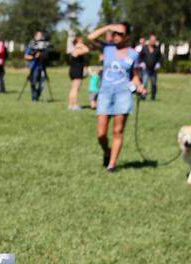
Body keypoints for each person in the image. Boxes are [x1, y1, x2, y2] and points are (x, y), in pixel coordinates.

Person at [83, 22, 146, 172]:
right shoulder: (107, 48)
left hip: (123, 94)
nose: (116, 36)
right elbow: (90, 37)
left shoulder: (133, 54)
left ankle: (112, 164)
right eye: (115, 33)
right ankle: (107, 151)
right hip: (105, 93)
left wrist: (140, 86)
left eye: (120, 34)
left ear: (127, 37)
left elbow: (134, 76)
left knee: (118, 131)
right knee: (101, 134)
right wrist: (108, 28)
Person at [24, 31, 49, 101]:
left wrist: (43, 55)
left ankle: (37, 95)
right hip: (34, 67)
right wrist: (34, 57)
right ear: (35, 37)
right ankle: (34, 98)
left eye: (41, 35)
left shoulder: (44, 45)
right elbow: (26, 56)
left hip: (42, 67)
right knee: (33, 82)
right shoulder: (32, 45)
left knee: (43, 84)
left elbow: (47, 55)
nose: (41, 37)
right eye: (39, 35)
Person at [67, 35, 90, 110]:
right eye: (81, 41)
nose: (82, 42)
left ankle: (70, 105)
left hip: (73, 71)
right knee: (76, 89)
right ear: (77, 42)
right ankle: (75, 105)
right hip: (77, 71)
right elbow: (87, 50)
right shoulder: (77, 50)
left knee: (73, 88)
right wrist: (81, 45)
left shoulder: (74, 50)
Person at [140, 34, 161, 100]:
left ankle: (153, 97)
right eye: (152, 40)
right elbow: (140, 57)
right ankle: (143, 96)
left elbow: (160, 58)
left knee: (154, 84)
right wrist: (142, 63)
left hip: (153, 70)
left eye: (154, 40)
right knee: (144, 83)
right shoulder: (144, 48)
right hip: (145, 69)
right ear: (149, 40)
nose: (153, 41)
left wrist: (158, 63)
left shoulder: (157, 49)